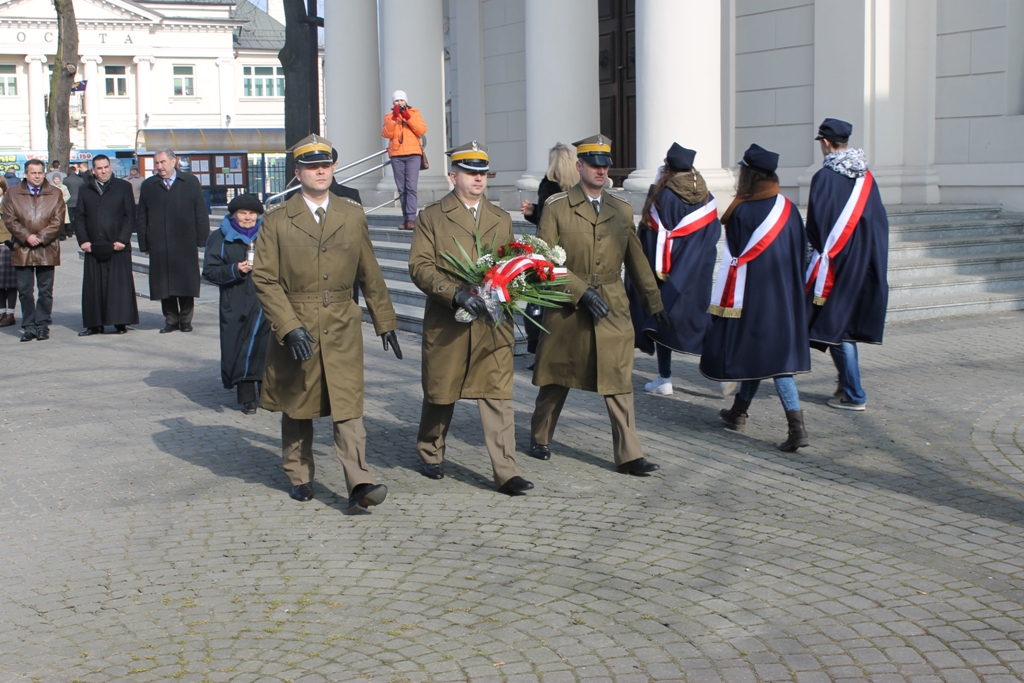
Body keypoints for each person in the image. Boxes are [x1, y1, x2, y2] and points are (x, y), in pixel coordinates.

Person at [253, 134, 402, 512]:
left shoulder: (351, 213)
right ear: (298, 171)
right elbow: (265, 279)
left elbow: (369, 269)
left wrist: (384, 320)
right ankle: (299, 475)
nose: (321, 171)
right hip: (297, 320)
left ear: (334, 168)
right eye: (312, 166)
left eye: (326, 165)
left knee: (348, 403)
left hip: (341, 322)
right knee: (299, 402)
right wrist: (288, 326)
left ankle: (360, 481)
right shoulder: (277, 218)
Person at [529, 135, 669, 475]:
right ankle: (540, 435)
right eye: (594, 164)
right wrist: (579, 291)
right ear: (579, 167)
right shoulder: (557, 207)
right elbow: (543, 261)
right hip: (568, 308)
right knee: (557, 377)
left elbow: (636, 259)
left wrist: (655, 303)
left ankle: (629, 454)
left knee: (619, 378)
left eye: (605, 164)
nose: (601, 170)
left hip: (612, 304)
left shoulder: (619, 210)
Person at [408, 141, 534, 496]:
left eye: (482, 173)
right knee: (440, 393)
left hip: (492, 322)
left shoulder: (500, 218)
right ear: (453, 176)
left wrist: (518, 284)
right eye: (470, 172)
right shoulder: (432, 216)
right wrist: (454, 293)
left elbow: (509, 263)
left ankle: (507, 471)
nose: (478, 179)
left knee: (497, 395)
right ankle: (431, 451)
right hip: (449, 321)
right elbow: (420, 266)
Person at [700, 144, 811, 451]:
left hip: (752, 300)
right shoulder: (788, 208)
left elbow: (735, 252)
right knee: (760, 357)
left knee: (776, 363)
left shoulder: (743, 211)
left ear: (748, 174)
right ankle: (737, 413)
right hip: (785, 299)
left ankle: (797, 428)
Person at [806, 118, 889, 412]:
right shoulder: (867, 177)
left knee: (836, 328)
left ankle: (854, 393)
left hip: (835, 262)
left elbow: (816, 225)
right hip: (863, 260)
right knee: (839, 326)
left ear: (826, 143)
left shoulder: (824, 177)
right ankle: (845, 385)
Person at [628, 143, 721, 396]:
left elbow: (648, 233)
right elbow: (714, 233)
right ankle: (722, 373)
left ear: (667, 167)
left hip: (665, 272)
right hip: (696, 272)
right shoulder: (707, 197)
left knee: (662, 319)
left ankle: (665, 378)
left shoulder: (663, 197)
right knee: (700, 320)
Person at [202, 194, 271, 414]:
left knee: (265, 349)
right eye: (243, 213)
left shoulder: (269, 235)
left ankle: (268, 395)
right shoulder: (219, 238)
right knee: (239, 349)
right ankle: (247, 398)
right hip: (236, 302)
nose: (248, 217)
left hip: (265, 300)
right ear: (234, 215)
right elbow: (210, 271)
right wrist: (234, 270)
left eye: (252, 213)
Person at [137, 148, 210, 333]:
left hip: (184, 241)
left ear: (173, 161)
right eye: (157, 163)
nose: (159, 167)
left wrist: (202, 238)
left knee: (186, 282)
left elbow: (200, 211)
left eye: (162, 162)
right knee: (164, 284)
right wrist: (144, 243)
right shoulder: (149, 185)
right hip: (159, 243)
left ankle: (185, 319)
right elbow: (142, 216)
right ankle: (170, 319)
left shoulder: (190, 182)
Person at [520, 143, 579, 357]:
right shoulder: (579, 189)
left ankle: (541, 350)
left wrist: (532, 212)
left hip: (550, 251)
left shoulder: (548, 186)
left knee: (544, 303)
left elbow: (546, 221)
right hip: (574, 251)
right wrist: (534, 211)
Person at [73, 154, 139, 337]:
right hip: (93, 245)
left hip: (117, 244)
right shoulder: (85, 189)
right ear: (93, 170)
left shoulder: (124, 187)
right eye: (99, 168)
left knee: (119, 286)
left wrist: (123, 239)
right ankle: (94, 324)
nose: (103, 171)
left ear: (110, 167)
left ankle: (120, 322)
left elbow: (129, 216)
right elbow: (79, 217)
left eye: (106, 167)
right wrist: (83, 240)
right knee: (93, 287)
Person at [1, 158, 65, 342]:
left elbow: (58, 220)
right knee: (24, 290)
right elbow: (9, 218)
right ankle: (29, 326)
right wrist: (26, 236)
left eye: (39, 172)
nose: (37, 176)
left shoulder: (55, 193)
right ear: (26, 174)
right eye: (33, 173)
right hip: (22, 247)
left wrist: (42, 237)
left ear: (43, 173)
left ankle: (43, 325)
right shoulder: (13, 193)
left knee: (45, 290)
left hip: (47, 247)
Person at [381, 89, 427, 230]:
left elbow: (421, 130)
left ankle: (412, 218)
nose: (399, 103)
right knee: (402, 189)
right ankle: (406, 218)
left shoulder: (414, 113)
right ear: (393, 103)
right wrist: (395, 118)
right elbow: (386, 133)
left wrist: (407, 116)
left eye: (401, 100)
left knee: (411, 187)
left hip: (413, 154)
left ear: (406, 102)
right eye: (397, 101)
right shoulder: (389, 116)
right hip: (397, 155)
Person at [0, 176, 16, 327]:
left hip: (6, 245)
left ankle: (10, 313)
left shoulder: (7, 204)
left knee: (9, 284)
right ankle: (2, 312)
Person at [50, 173, 72, 240]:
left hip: (62, 205)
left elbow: (67, 195)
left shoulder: (64, 187)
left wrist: (62, 201)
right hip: (54, 206)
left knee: (62, 220)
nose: (56, 180)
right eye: (55, 179)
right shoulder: (50, 187)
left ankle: (62, 235)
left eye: (58, 179)